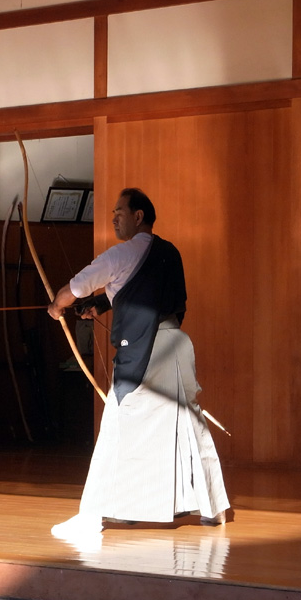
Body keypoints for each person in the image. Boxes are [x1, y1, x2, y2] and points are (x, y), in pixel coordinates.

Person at [47, 188, 229, 536]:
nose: (114, 218)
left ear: (138, 216)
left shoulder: (122, 253)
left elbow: (76, 288)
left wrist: (57, 306)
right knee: (191, 425)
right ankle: (214, 509)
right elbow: (148, 294)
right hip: (177, 346)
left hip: (145, 351)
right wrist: (102, 305)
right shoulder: (169, 252)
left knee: (117, 427)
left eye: (119, 212)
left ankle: (91, 517)